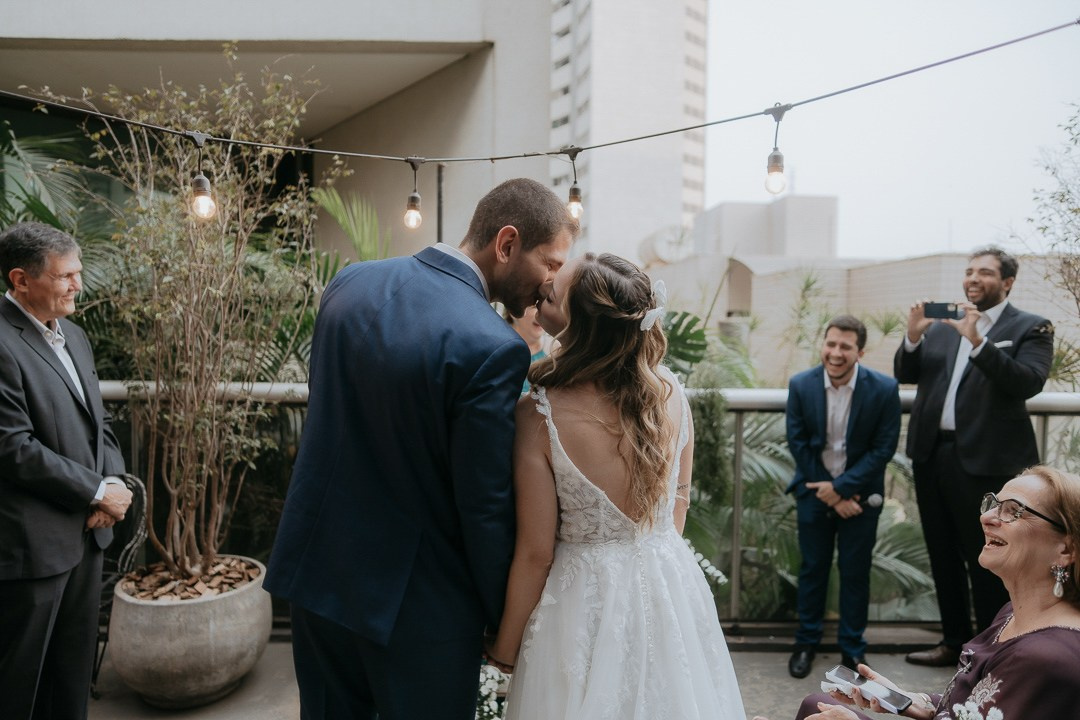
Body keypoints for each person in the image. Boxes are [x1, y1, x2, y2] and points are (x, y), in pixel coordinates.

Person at [264, 178, 578, 720]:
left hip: (317, 575)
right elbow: (483, 506)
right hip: (420, 609)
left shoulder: (349, 283)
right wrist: (502, 616)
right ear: (506, 244)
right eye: (550, 263)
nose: (550, 282)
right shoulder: (493, 347)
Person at [486, 253, 746, 720]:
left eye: (551, 295)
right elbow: (679, 501)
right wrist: (650, 564)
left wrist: (504, 648)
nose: (541, 293)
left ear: (580, 329)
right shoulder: (671, 392)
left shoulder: (538, 416)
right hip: (669, 585)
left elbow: (536, 554)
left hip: (581, 603)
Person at [753, 464, 1080, 720]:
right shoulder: (1012, 614)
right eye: (992, 504)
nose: (986, 517)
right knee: (818, 705)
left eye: (1013, 510)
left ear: (1065, 548)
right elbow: (968, 707)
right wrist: (912, 701)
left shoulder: (1045, 659)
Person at [895, 245, 1054, 667]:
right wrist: (913, 335)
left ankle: (991, 650)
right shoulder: (943, 327)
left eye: (984, 272)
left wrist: (978, 342)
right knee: (941, 552)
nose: (973, 278)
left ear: (1007, 282)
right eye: (969, 271)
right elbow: (906, 374)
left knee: (989, 556)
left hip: (987, 463)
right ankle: (952, 642)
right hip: (932, 455)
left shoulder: (1031, 327)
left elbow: (1027, 382)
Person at [0, 221, 133, 720]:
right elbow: (11, 446)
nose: (79, 285)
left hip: (87, 537)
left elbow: (101, 425)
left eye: (78, 272)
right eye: (65, 276)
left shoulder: (74, 335)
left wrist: (112, 484)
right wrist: (95, 490)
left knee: (72, 678)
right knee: (20, 687)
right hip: (31, 550)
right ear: (21, 280)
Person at [785, 315, 901, 679]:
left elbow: (883, 449)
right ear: (823, 344)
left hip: (861, 497)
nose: (836, 353)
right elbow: (798, 443)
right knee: (812, 569)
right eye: (831, 344)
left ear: (859, 353)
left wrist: (843, 489)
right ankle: (806, 643)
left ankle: (852, 650)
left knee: (855, 572)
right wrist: (832, 493)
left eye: (845, 347)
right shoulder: (801, 384)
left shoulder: (884, 389)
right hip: (813, 492)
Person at [506, 305, 549, 394]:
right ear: (514, 312)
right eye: (535, 306)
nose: (543, 313)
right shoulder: (498, 349)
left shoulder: (555, 351)